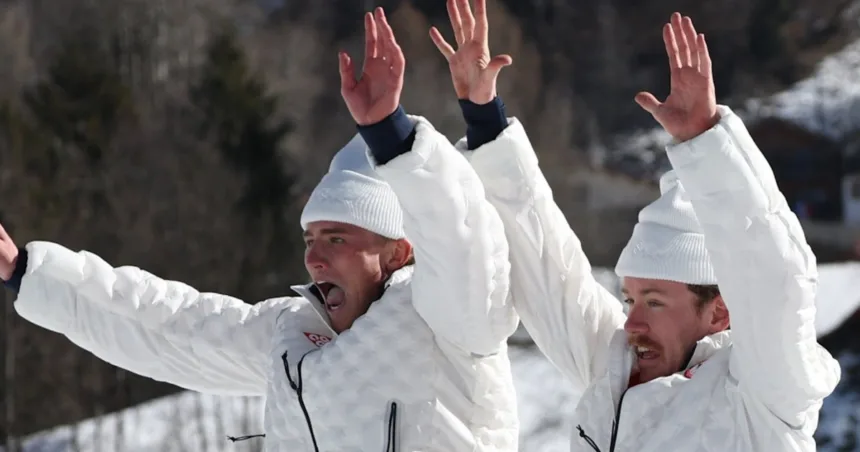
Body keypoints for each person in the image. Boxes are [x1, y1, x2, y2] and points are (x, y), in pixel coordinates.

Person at [0, 7, 521, 451]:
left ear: (396, 252)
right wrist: (29, 274)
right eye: (310, 239)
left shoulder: (448, 319)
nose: (315, 258)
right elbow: (167, 325)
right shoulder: (293, 335)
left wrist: (392, 137)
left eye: (338, 238)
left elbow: (462, 240)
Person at [431, 4, 841, 450]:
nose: (633, 322)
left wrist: (706, 140)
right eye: (630, 298)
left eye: (655, 301)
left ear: (719, 312)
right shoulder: (616, 373)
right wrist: (484, 119)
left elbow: (774, 279)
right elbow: (550, 273)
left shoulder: (763, 397)